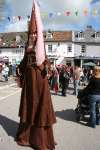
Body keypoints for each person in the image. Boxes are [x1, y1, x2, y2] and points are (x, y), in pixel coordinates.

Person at [16, 1, 56, 150]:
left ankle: (40, 140)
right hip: (29, 83)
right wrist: (19, 70)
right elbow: (24, 61)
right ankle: (26, 136)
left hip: (39, 81)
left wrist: (46, 67)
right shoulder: (28, 46)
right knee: (29, 107)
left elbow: (46, 61)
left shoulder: (41, 46)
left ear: (38, 33)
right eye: (31, 32)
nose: (33, 34)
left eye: (35, 32)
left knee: (40, 108)